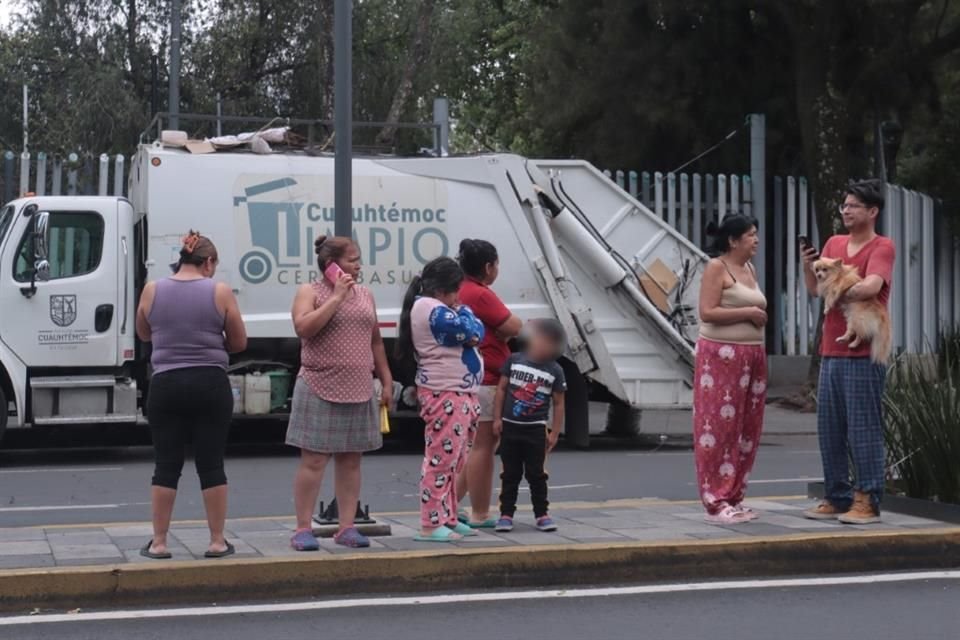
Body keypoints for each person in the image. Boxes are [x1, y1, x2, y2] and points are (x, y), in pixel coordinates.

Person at [135, 230, 247, 559]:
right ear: (208, 262)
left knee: (165, 465)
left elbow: (144, 333)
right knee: (211, 464)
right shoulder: (220, 291)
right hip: (210, 383)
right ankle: (216, 541)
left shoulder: (152, 289)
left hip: (166, 383)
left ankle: (158, 543)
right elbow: (239, 342)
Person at [285, 236, 393, 550]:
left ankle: (347, 526)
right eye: (352, 260)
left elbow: (375, 341)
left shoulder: (366, 294)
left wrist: (385, 378)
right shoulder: (310, 291)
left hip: (359, 386)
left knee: (351, 460)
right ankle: (302, 528)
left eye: (358, 260)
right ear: (331, 265)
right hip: (319, 384)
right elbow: (303, 328)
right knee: (314, 460)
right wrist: (336, 297)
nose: (358, 266)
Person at [802, 179, 895, 525]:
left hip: (862, 353)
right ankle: (837, 495)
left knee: (863, 427)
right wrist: (807, 264)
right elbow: (815, 288)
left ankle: (867, 499)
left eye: (853, 205)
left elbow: (871, 286)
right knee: (830, 427)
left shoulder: (882, 246)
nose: (846, 210)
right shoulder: (833, 243)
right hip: (831, 351)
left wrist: (838, 288)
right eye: (844, 205)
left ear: (872, 211)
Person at [397, 256, 484, 542]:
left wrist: (467, 318)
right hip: (444, 392)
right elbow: (470, 331)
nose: (460, 296)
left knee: (456, 459)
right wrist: (468, 320)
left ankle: (447, 515)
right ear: (444, 289)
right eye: (457, 290)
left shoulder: (441, 308)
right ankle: (430, 523)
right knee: (441, 459)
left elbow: (475, 330)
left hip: (459, 392)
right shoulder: (429, 308)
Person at [693, 214, 768, 525]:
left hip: (753, 355)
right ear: (733, 240)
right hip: (721, 356)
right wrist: (750, 311)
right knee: (718, 427)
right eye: (750, 235)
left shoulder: (749, 268)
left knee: (746, 428)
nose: (756, 240)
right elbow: (707, 312)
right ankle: (716, 499)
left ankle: (735, 494)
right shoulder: (716, 267)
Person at [456, 239, 523, 528]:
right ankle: (480, 512)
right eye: (496, 264)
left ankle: (447, 503)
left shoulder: (459, 288)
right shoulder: (480, 294)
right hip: (489, 376)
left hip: (470, 376)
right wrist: (502, 332)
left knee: (474, 446)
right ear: (488, 267)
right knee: (483, 445)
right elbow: (515, 327)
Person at [492, 318, 567, 533]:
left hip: (535, 429)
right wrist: (497, 419)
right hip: (510, 427)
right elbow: (501, 390)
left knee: (536, 474)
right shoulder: (514, 360)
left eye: (552, 343)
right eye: (543, 340)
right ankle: (506, 514)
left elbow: (559, 402)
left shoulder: (555, 370)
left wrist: (554, 431)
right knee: (510, 473)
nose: (546, 347)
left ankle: (542, 514)